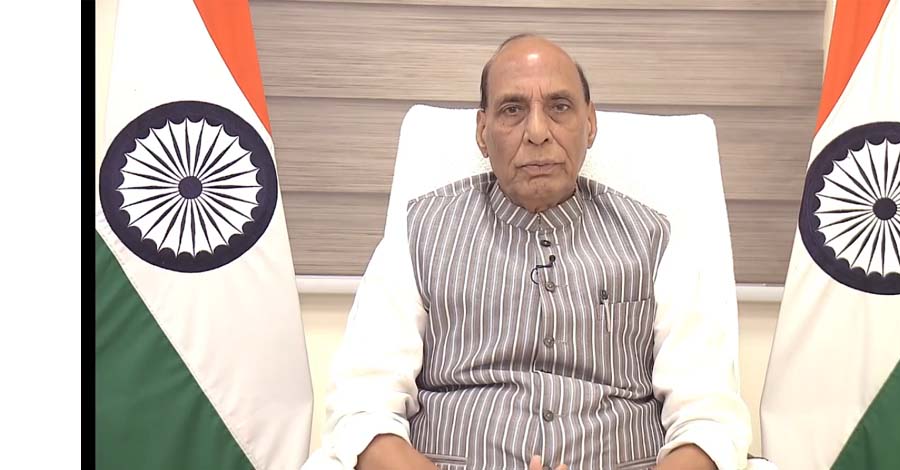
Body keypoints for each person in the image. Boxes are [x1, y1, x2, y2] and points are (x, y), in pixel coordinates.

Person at [303, 34, 751, 470]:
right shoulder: (418, 232)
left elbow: (708, 420)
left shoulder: (655, 241)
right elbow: (362, 408)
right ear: (482, 132)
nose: (537, 132)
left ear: (590, 124)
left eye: (559, 107)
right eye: (513, 110)